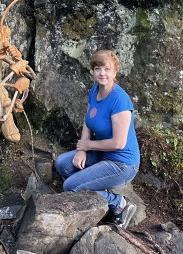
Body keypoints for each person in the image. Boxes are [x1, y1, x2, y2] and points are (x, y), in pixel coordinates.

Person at [54, 49, 140, 229]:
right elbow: (88, 121)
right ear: (93, 71)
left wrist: (87, 145)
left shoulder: (120, 101)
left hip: (122, 164)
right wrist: (82, 149)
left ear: (115, 72)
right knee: (62, 163)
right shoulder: (94, 90)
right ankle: (92, 187)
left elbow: (119, 143)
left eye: (107, 69)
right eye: (98, 68)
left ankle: (117, 202)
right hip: (100, 153)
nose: (102, 73)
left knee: (70, 186)